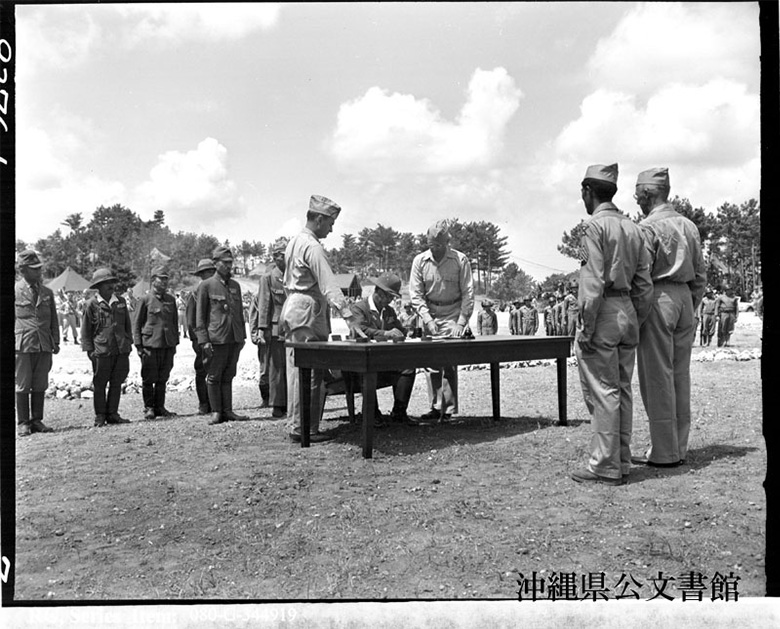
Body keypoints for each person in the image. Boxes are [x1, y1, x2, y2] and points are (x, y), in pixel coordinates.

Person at [571, 163, 653, 486]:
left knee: (603, 390)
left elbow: (591, 287)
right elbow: (644, 286)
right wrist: (635, 317)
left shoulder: (594, 228)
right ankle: (621, 458)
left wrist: (587, 327)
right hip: (627, 310)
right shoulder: (634, 228)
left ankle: (604, 465)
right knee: (621, 388)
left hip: (603, 310)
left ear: (588, 192)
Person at [634, 167, 706, 469]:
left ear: (648, 195)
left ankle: (664, 453)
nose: (637, 201)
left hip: (658, 298)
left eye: (638, 195)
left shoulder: (646, 228)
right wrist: (690, 302)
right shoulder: (689, 226)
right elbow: (700, 275)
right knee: (679, 375)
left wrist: (639, 312)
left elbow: (641, 275)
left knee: (656, 377)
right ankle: (679, 446)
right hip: (684, 301)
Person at [279, 194, 366, 443]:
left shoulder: (294, 241)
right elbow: (329, 284)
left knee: (297, 369)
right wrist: (348, 316)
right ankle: (305, 428)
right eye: (329, 222)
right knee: (310, 372)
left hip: (295, 307)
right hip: (307, 310)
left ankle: (299, 425)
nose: (331, 228)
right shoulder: (313, 246)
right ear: (317, 218)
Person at [408, 220, 475, 423]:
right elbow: (416, 294)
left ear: (447, 243)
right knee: (431, 364)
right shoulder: (420, 261)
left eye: (438, 245)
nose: (434, 249)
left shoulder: (460, 260)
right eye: (431, 245)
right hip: (430, 314)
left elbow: (468, 293)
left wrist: (461, 323)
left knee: (449, 362)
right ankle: (436, 406)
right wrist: (427, 319)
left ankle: (448, 408)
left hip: (453, 313)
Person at [349, 272, 417, 423]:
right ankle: (372, 414)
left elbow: (400, 329)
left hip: (384, 361)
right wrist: (386, 333)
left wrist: (410, 332)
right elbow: (361, 330)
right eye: (389, 297)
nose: (391, 300)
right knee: (368, 370)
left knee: (408, 368)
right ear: (379, 293)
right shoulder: (359, 308)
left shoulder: (389, 311)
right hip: (361, 362)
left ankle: (399, 413)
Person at [196, 246, 249, 425]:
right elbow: (200, 317)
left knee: (229, 375)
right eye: (225, 263)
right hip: (216, 338)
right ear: (215, 264)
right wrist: (203, 341)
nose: (229, 266)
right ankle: (216, 411)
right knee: (213, 376)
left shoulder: (235, 286)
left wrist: (242, 337)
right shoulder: (206, 285)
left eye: (230, 263)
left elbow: (239, 313)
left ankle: (228, 410)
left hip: (233, 337)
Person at [15, 250, 60, 436]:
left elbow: (54, 320)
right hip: (23, 345)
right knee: (23, 384)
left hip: (44, 344)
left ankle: (37, 420)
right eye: (34, 269)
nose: (39, 272)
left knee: (40, 383)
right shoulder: (15, 291)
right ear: (23, 270)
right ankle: (23, 422)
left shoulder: (47, 292)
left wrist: (55, 341)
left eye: (40, 268)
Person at [81, 268, 133, 427]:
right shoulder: (91, 304)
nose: (110, 286)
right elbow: (86, 330)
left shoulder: (121, 302)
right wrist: (90, 351)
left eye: (112, 283)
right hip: (101, 350)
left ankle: (113, 413)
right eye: (106, 284)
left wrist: (128, 343)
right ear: (99, 286)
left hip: (120, 349)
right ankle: (100, 415)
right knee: (100, 384)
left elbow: (127, 326)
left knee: (117, 382)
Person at [133, 266, 180, 420]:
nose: (165, 282)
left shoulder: (171, 300)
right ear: (153, 280)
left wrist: (174, 344)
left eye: (166, 279)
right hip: (150, 345)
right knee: (148, 378)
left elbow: (174, 322)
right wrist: (139, 346)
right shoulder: (145, 300)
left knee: (163, 377)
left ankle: (160, 407)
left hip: (167, 344)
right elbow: (137, 324)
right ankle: (149, 408)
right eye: (162, 279)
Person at [251, 245, 288, 418]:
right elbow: (264, 305)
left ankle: (289, 402)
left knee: (290, 368)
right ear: (276, 258)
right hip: (275, 329)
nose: (286, 259)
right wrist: (261, 329)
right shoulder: (268, 278)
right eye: (282, 256)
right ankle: (277, 404)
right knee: (276, 369)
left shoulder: (292, 276)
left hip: (292, 329)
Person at [186, 259, 217, 414]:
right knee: (202, 370)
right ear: (202, 275)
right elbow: (191, 320)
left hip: (217, 338)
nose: (210, 275)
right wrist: (198, 340)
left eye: (212, 272)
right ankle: (204, 403)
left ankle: (215, 403)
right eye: (207, 273)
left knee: (216, 371)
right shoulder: (195, 294)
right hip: (201, 340)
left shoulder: (217, 290)